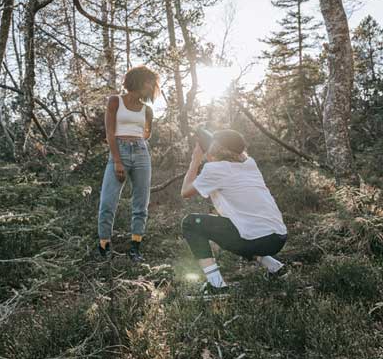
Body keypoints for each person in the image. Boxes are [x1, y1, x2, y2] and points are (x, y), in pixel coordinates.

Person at [180, 129, 288, 293]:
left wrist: (195, 161)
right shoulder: (250, 164)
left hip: (255, 240)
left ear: (217, 148)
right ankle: (275, 267)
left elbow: (185, 192)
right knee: (238, 226)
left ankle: (216, 285)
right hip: (278, 238)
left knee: (190, 223)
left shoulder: (215, 170)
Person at [97, 66, 158, 262]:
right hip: (119, 151)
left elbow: (147, 133)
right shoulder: (115, 101)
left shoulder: (147, 110)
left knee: (141, 203)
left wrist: (137, 138)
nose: (152, 85)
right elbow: (109, 133)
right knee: (108, 202)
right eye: (149, 81)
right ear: (138, 80)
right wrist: (117, 160)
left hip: (141, 152)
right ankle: (104, 247)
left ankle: (135, 249)